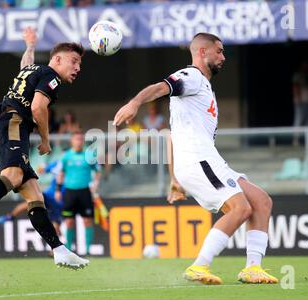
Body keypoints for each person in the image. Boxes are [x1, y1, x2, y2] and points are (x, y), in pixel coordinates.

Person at [113, 32, 277, 285]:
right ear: (202, 52)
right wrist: (135, 103)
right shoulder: (191, 77)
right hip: (200, 161)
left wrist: (174, 179)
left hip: (206, 161)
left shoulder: (201, 88)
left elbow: (170, 135)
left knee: (261, 201)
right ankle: (199, 265)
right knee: (241, 208)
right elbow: (160, 87)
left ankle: (253, 268)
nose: (223, 57)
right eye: (219, 51)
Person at [0, 27, 89, 269]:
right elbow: (38, 107)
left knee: (34, 195)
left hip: (1, 129)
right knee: (14, 175)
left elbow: (25, 66)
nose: (77, 68)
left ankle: (59, 249)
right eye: (74, 62)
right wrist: (45, 139)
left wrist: (30, 46)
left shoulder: (34, 70)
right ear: (57, 59)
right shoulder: (51, 77)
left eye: (79, 64)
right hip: (13, 125)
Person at [55, 131, 101, 255]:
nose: (79, 142)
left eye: (81, 139)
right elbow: (61, 173)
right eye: (77, 139)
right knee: (69, 221)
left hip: (85, 191)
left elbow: (97, 172)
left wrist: (95, 186)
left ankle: (87, 251)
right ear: (72, 141)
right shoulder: (66, 156)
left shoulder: (89, 155)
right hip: (70, 192)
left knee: (87, 220)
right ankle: (69, 249)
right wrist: (58, 190)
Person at [0, 160, 66, 236]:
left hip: (62, 202)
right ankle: (10, 216)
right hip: (50, 196)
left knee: (55, 229)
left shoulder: (67, 165)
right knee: (31, 202)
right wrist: (43, 167)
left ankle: (59, 245)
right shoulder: (59, 164)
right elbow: (41, 169)